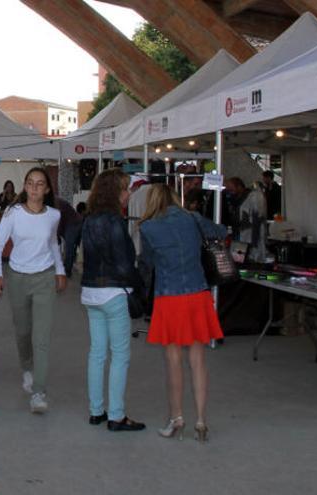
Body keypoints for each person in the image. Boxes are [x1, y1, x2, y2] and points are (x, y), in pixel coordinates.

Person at [139, 184, 226, 443]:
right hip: (198, 293)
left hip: (169, 297)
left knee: (174, 362)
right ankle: (201, 419)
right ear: (176, 198)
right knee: (198, 360)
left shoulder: (148, 227)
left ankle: (177, 418)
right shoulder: (193, 218)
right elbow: (220, 233)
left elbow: (147, 263)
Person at [0, 167, 67, 414]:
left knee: (41, 338)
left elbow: (53, 243)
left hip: (44, 278)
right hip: (17, 277)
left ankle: (39, 392)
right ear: (25, 186)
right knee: (23, 331)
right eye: (30, 183)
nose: (34, 188)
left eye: (40, 184)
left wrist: (60, 270)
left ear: (46, 189)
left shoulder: (54, 215)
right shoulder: (13, 213)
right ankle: (27, 367)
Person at [80, 169, 145, 432]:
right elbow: (123, 262)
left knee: (97, 353)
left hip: (90, 292)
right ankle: (116, 415)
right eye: (125, 188)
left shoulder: (89, 219)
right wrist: (138, 286)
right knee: (120, 355)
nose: (129, 193)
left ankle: (96, 411)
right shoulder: (114, 222)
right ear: (115, 192)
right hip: (114, 292)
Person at [55, 196, 83, 278]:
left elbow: (58, 220)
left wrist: (57, 235)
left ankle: (67, 271)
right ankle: (67, 266)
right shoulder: (52, 202)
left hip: (73, 223)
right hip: (70, 223)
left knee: (70, 246)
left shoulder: (55, 202)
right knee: (74, 245)